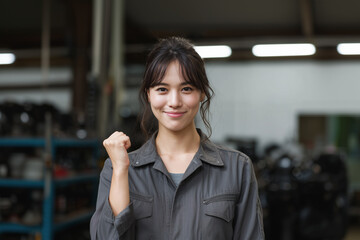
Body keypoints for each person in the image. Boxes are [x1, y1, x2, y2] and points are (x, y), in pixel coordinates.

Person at [90, 37, 265, 240]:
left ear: (202, 93)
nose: (174, 102)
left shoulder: (237, 168)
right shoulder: (117, 169)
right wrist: (121, 171)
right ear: (148, 94)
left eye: (186, 89)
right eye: (162, 89)